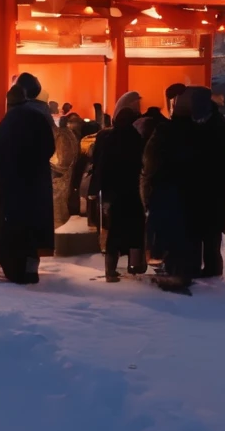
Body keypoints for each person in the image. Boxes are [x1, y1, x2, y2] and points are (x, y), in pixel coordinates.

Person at [0, 73, 57, 284]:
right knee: (31, 232)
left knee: (13, 230)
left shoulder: (6, 123)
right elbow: (49, 147)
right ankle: (30, 268)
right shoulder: (38, 116)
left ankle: (16, 271)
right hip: (35, 184)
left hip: (11, 186)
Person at [141, 91, 199, 291]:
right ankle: (183, 270)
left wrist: (148, 182)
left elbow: (150, 160)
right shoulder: (198, 132)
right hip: (191, 189)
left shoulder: (164, 130)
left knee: (166, 229)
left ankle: (169, 268)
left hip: (165, 186)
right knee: (187, 231)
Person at [93, 93, 148, 280]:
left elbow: (101, 167)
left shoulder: (108, 138)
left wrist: (100, 190)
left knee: (114, 232)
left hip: (114, 193)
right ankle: (134, 265)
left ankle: (110, 270)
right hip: (133, 191)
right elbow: (143, 165)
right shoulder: (136, 139)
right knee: (136, 229)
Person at [184, 87, 225, 276]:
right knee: (211, 228)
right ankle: (213, 265)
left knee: (195, 226)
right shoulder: (217, 120)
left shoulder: (189, 120)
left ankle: (196, 265)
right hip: (214, 182)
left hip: (194, 182)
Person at [50, 110, 81, 230]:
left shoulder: (63, 135)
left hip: (59, 179)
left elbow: (63, 161)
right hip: (60, 178)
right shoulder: (66, 134)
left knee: (57, 218)